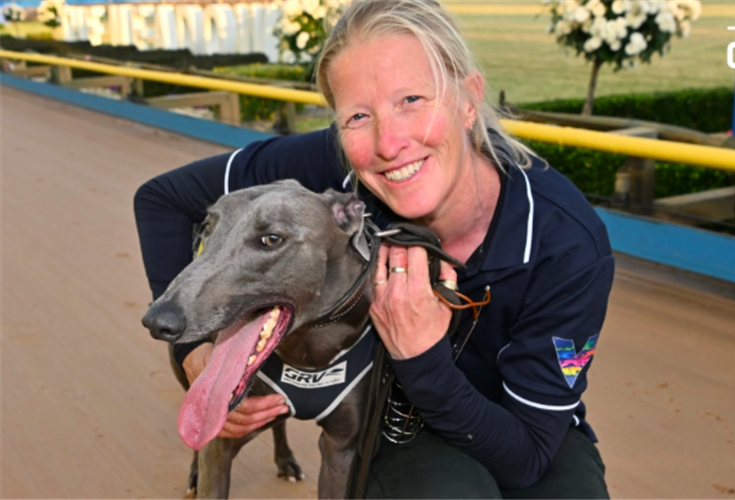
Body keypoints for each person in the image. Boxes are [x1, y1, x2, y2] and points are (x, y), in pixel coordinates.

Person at [134, 0, 615, 498]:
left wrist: (423, 355)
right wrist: (195, 352)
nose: (389, 142)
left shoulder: (565, 242)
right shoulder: (332, 168)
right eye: (359, 115)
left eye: (412, 99)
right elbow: (163, 200)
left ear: (469, 99)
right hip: (393, 416)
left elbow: (528, 456)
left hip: (515, 421)